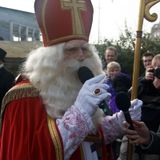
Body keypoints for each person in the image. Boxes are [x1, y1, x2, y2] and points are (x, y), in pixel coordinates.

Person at [0, 0, 142, 160]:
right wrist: (80, 114)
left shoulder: (75, 84)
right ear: (50, 57)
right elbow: (31, 153)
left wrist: (118, 123)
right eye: (72, 49)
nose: (81, 55)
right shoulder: (23, 97)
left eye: (85, 48)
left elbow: (89, 141)